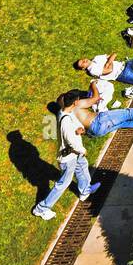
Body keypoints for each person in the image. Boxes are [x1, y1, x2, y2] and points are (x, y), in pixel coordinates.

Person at [32, 91, 103, 220]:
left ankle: (85, 190)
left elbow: (73, 126)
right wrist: (82, 149)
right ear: (75, 102)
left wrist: (78, 129)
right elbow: (70, 140)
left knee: (82, 166)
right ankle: (41, 209)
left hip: (74, 154)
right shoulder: (64, 120)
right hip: (69, 157)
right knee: (63, 183)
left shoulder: (66, 113)